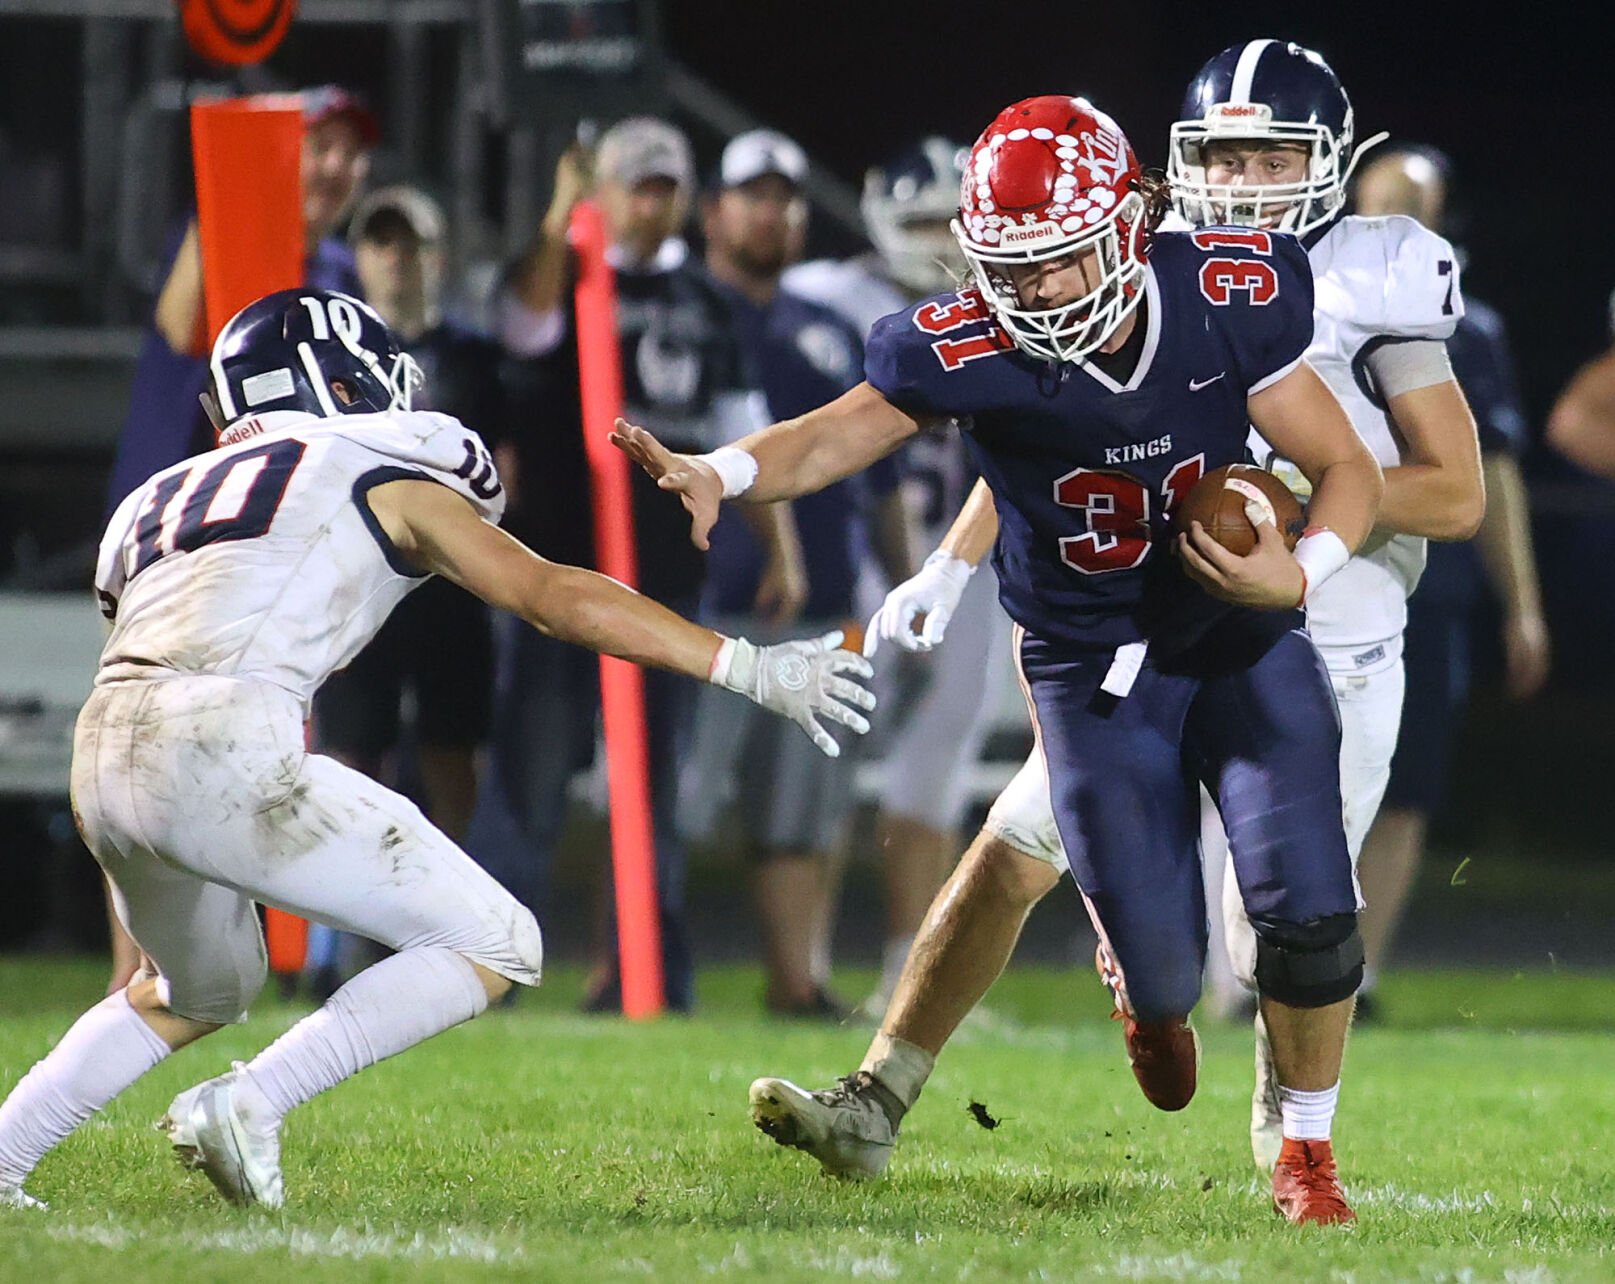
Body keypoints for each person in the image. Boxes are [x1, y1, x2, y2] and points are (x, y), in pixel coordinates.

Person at [617, 92, 1385, 1225]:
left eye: (1058, 262)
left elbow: (1346, 469)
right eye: (1008, 270)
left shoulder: (1225, 295)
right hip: (1087, 664)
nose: (1031, 294)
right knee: (1169, 979)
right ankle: (1138, 979)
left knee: (1308, 904)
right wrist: (722, 473)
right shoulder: (971, 344)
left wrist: (1301, 575)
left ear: (1128, 228)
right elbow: (833, 432)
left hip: (1237, 634)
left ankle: (1307, 1158)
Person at [0, 287, 873, 1213]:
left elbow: (141, 677)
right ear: (346, 379)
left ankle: (6, 1155)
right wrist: (741, 665)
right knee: (495, 938)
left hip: (104, 753)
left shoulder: (155, 499)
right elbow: (547, 593)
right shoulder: (378, 463)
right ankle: (253, 1099)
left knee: (190, 987)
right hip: (224, 735)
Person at [493, 117, 799, 1011]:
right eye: (636, 185)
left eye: (666, 187)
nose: (651, 204)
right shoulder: (570, 276)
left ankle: (640, 969)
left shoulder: (707, 304)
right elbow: (519, 328)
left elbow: (750, 437)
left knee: (651, 783)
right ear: (604, 192)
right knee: (532, 778)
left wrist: (779, 548)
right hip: (553, 567)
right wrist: (561, 216)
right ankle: (482, 964)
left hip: (664, 575)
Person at [101, 84, 380, 996]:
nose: (335, 166)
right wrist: (231, 180)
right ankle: (131, 976)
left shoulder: (335, 270)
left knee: (248, 755)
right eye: (316, 146)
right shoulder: (218, 232)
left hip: (271, 553)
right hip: (175, 546)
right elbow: (183, 326)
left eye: (349, 150)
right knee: (146, 760)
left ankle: (239, 963)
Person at [784, 139, 1015, 1014]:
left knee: (938, 767)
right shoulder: (830, 302)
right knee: (823, 762)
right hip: (857, 574)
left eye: (946, 223)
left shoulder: (1002, 307)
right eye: (918, 222)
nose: (934, 241)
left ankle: (904, 971)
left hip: (966, 571)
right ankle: (801, 966)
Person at [685, 130, 905, 1015]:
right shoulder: (676, 307)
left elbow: (880, 474)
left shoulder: (825, 327)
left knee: (801, 812)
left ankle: (796, 980)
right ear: (715, 211)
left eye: (786, 197)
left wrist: (901, 584)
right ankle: (624, 973)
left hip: (816, 607)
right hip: (699, 601)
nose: (772, 213)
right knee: (672, 803)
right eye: (753, 195)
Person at [1351, 147, 1550, 1012]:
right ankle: (1237, 976)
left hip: (1424, 583)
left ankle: (1357, 976)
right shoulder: (1295, 307)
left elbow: (1491, 476)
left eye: (1409, 209)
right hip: (1315, 568)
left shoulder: (1466, 328)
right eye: (1376, 206)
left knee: (1402, 786)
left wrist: (1523, 608)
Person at [302, 185, 512, 997]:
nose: (398, 259)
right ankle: (333, 941)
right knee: (348, 757)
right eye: (382, 243)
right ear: (359, 258)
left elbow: (505, 474)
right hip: (358, 585)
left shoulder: (473, 357)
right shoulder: (333, 361)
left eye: (413, 243)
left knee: (450, 752)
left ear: (440, 256)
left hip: (450, 586)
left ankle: (448, 925)